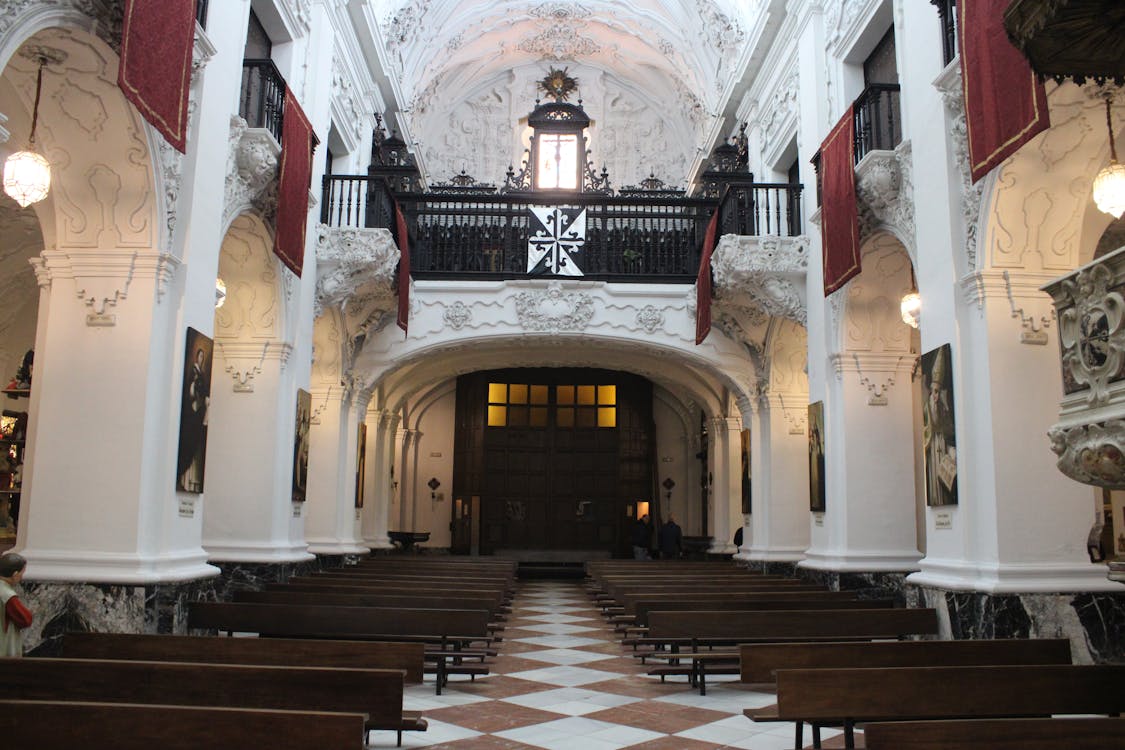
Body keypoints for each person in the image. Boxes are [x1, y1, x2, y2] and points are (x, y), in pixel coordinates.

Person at [0, 552, 32, 657]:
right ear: (14, 574)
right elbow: (25, 619)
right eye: (21, 573)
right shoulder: (7, 595)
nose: (21, 577)